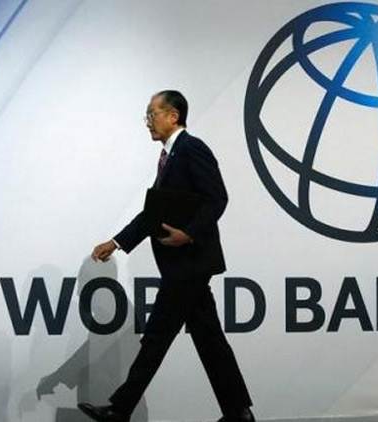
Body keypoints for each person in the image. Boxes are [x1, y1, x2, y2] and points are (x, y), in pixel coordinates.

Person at [78, 90, 254, 422]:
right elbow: (152, 214)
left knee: (157, 337)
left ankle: (120, 409)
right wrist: (116, 242)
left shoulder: (191, 149)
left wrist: (189, 233)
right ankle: (238, 412)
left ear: (173, 116)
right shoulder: (169, 156)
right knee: (210, 340)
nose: (148, 122)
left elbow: (217, 198)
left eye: (152, 114)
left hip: (189, 264)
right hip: (185, 266)